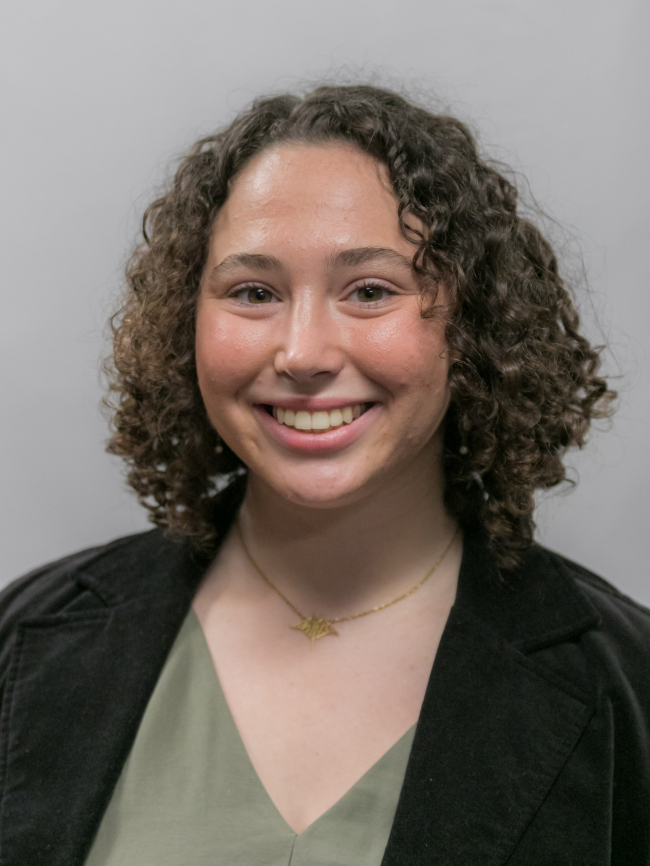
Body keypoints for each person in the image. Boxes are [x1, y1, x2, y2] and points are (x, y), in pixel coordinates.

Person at [0, 83, 648, 866]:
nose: (304, 352)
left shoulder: (628, 686)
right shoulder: (21, 642)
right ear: (185, 321)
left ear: (472, 327)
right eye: (254, 292)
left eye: (371, 291)